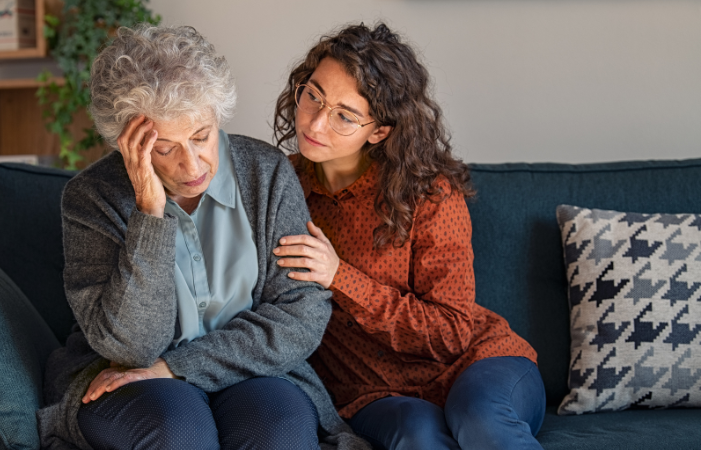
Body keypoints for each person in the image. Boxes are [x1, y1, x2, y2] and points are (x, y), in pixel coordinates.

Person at [36, 24, 370, 450]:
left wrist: (177, 367)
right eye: (164, 148)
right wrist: (149, 215)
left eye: (201, 136)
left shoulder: (265, 174)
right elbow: (132, 348)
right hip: (124, 376)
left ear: (217, 116)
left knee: (278, 432)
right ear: (127, 144)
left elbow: (298, 317)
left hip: (255, 370)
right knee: (181, 433)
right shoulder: (91, 199)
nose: (192, 166)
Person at [273, 23, 546, 450]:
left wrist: (339, 276)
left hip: (477, 364)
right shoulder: (278, 186)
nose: (317, 121)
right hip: (370, 392)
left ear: (378, 131)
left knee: (481, 422)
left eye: (345, 115)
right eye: (313, 95)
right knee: (418, 436)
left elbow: (453, 331)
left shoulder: (429, 193)